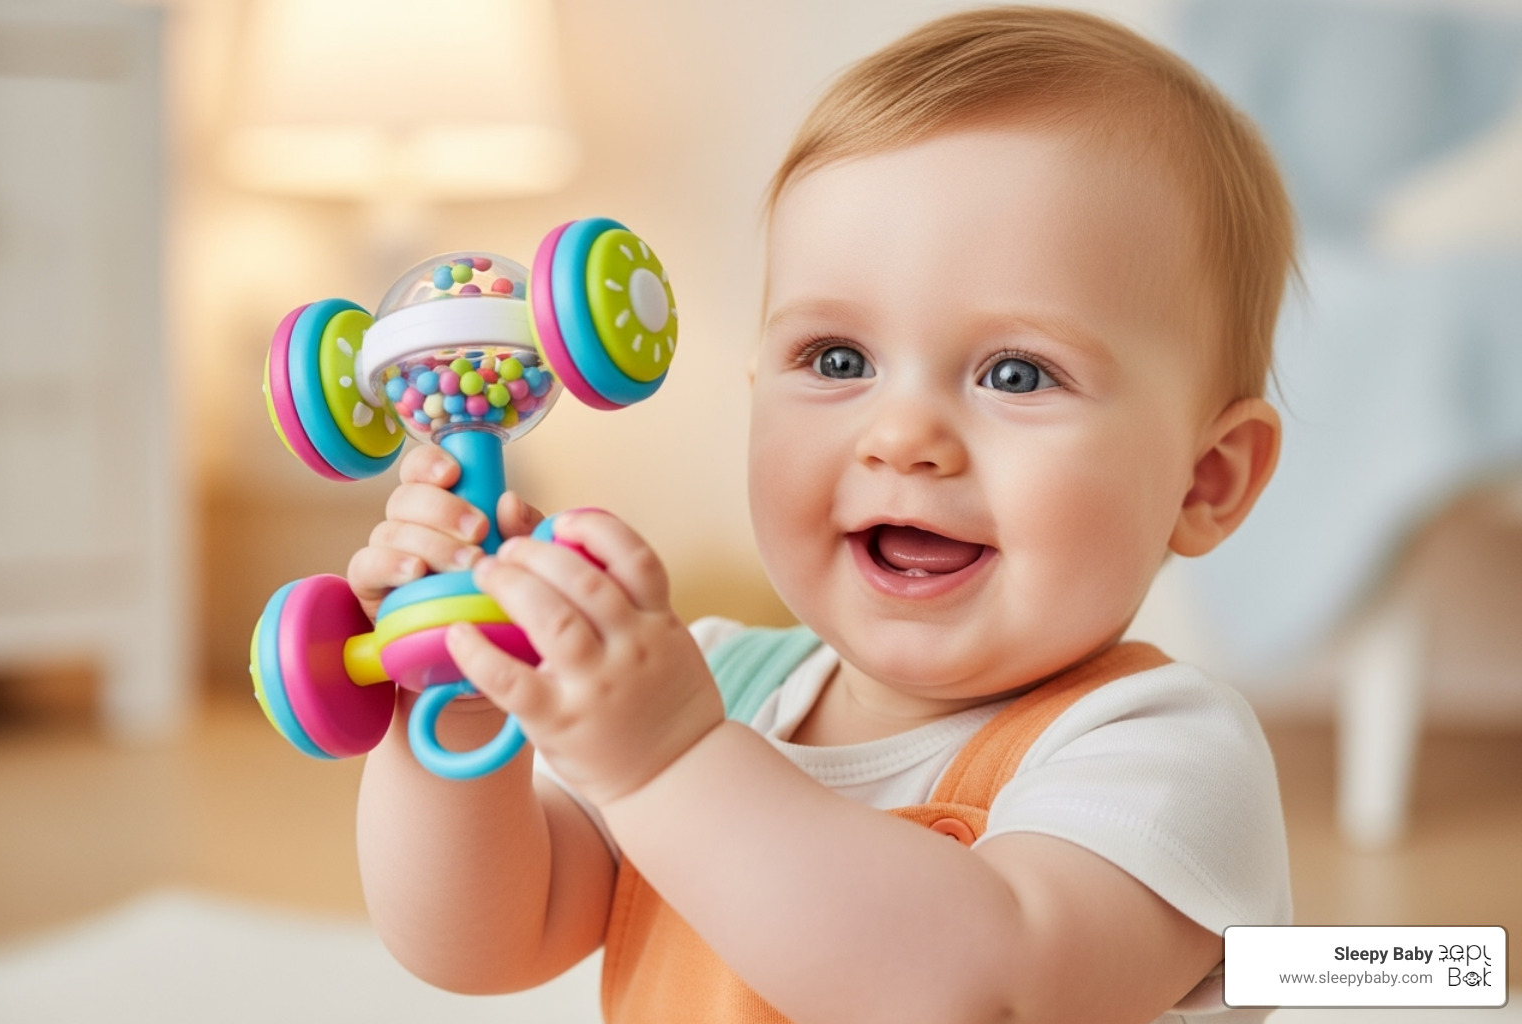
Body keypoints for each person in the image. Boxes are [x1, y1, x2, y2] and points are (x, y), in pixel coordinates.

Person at [348, 7, 1297, 1022]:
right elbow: (485, 939)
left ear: (1206, 480)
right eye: (837, 360)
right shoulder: (714, 680)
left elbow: (984, 991)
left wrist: (670, 764)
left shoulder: (1162, 753)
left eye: (1016, 372)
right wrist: (456, 700)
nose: (903, 436)